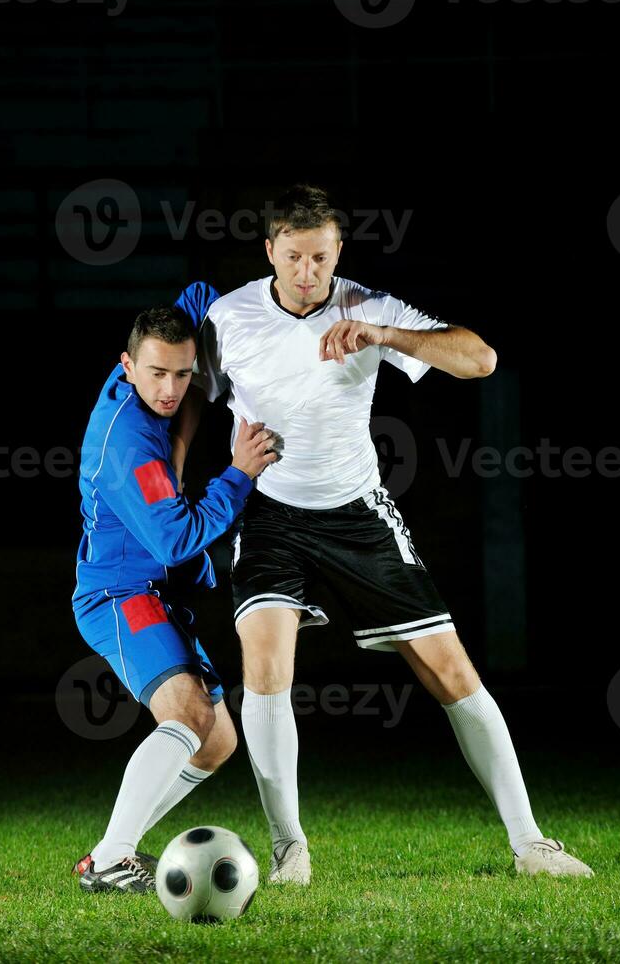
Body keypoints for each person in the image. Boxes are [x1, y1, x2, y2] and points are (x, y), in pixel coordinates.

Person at [176, 184, 594, 885]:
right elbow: (191, 399)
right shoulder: (230, 315)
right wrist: (180, 490)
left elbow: (480, 358)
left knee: (452, 671)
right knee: (266, 665)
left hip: (357, 511)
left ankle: (532, 845)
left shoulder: (367, 305)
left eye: (320, 257)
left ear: (338, 251)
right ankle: (289, 849)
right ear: (270, 250)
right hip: (271, 512)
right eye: (294, 257)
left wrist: (383, 334)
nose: (308, 272)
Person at [70, 300, 276, 893]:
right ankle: (113, 859)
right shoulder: (129, 444)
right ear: (126, 366)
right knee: (187, 715)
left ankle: (110, 849)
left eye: (184, 374)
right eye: (157, 374)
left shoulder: (141, 372)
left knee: (215, 742)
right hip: (119, 594)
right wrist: (238, 473)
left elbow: (198, 294)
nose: (170, 389)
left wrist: (252, 303)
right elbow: (176, 536)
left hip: (152, 591)